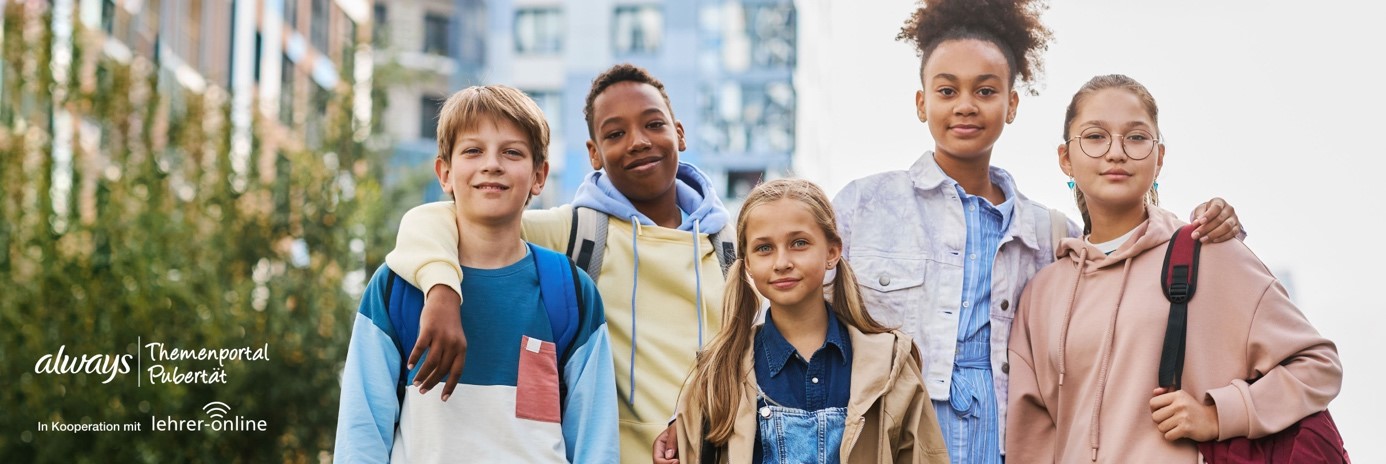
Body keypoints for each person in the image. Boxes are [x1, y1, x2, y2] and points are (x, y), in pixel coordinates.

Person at [826, 1, 1249, 462]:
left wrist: (1209, 226)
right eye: (947, 91)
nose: (965, 105)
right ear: (921, 102)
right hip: (889, 442)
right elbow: (802, 322)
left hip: (1007, 445)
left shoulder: (1052, 234)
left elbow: (1130, 275)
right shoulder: (864, 206)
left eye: (985, 91)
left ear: (1011, 104)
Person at [382, 64, 732, 461]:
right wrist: (441, 287)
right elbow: (440, 218)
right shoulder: (577, 232)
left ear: (679, 133)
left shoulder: (731, 248)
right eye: (615, 134)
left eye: (653, 124)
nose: (637, 142)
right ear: (593, 153)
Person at [1004, 74, 1341, 462]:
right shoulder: (1042, 293)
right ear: (1066, 158)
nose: (1116, 152)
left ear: (1159, 157)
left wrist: (1218, 415)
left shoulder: (1209, 252)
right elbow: (1032, 440)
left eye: (1136, 137)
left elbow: (1318, 366)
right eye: (1095, 137)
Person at [333, 85, 617, 462]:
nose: (492, 164)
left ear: (539, 175)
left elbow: (595, 442)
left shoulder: (569, 292)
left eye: (512, 152)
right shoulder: (397, 286)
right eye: (473, 151)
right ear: (445, 173)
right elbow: (361, 435)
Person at [672, 178, 949, 463]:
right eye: (764, 248)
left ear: (832, 252)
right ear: (748, 264)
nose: (782, 263)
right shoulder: (719, 369)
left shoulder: (890, 363)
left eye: (799, 243)